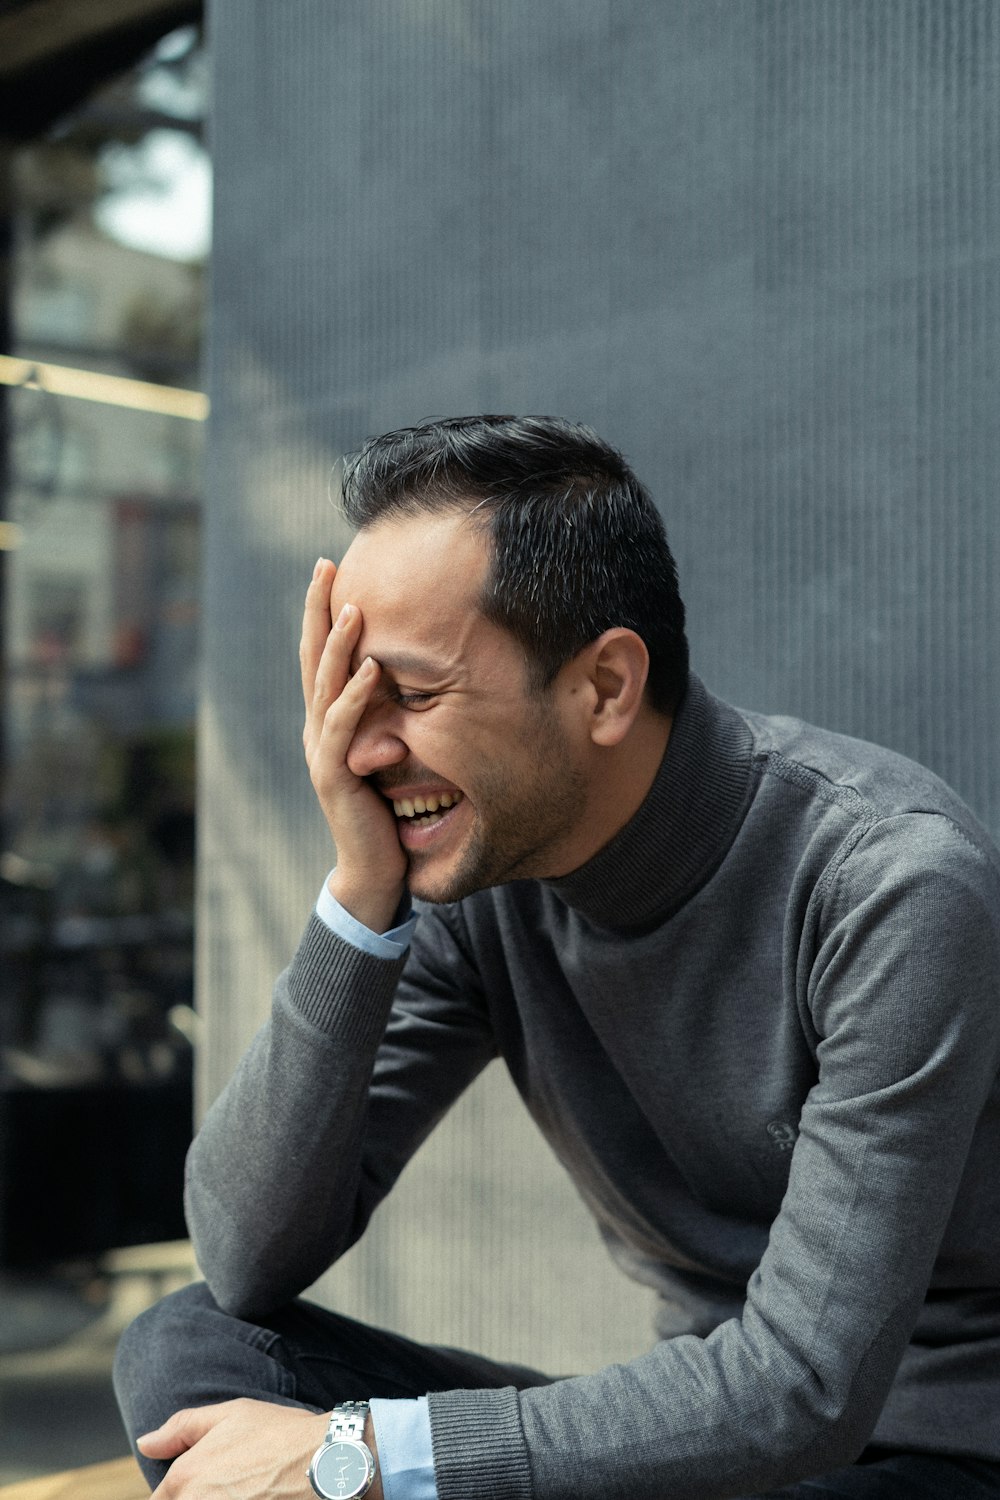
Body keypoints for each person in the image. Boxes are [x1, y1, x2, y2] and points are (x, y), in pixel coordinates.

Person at [114, 415, 1000, 1500]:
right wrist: (359, 899)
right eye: (349, 695)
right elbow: (247, 1255)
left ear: (603, 688)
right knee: (196, 1358)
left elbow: (806, 1388)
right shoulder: (478, 886)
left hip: (930, 1454)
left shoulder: (889, 885)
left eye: (413, 693)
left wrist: (364, 1458)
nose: (364, 746)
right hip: (696, 1443)